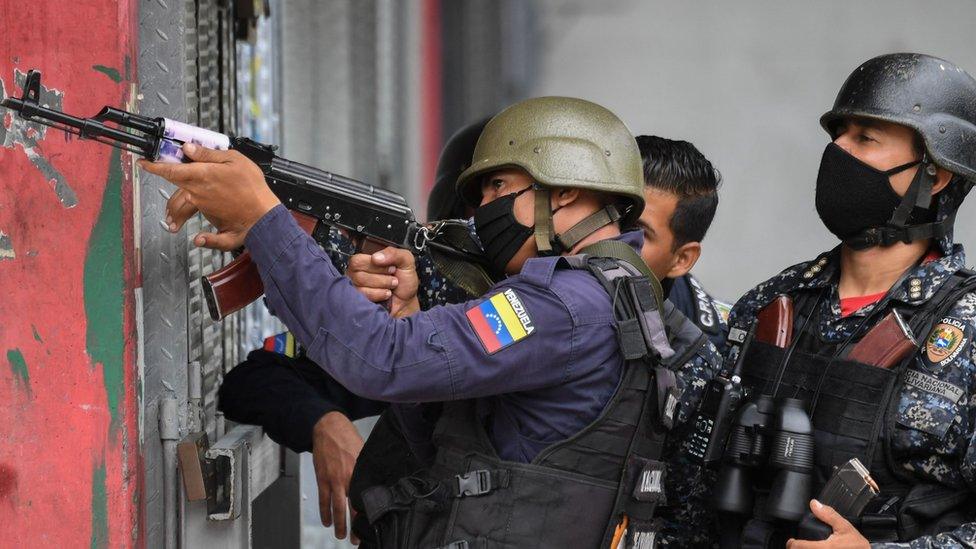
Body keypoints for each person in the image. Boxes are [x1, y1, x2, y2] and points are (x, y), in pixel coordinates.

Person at [143, 96, 721, 547]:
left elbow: (381, 360)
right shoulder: (606, 297)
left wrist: (264, 217)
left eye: (500, 186)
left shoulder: (564, 306)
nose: (486, 207)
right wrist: (413, 314)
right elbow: (451, 446)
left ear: (563, 189)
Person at [717, 53, 976, 548]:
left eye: (865, 137)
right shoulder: (775, 303)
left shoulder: (967, 328)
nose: (837, 150)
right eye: (837, 134)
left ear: (935, 175)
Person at [635, 135, 729, 352]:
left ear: (681, 260)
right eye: (605, 215)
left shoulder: (696, 356)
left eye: (638, 233)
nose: (610, 236)